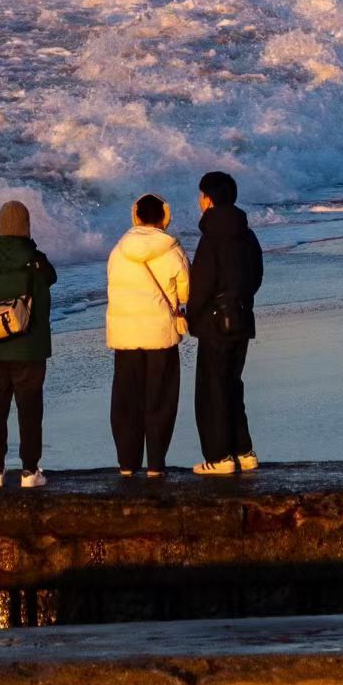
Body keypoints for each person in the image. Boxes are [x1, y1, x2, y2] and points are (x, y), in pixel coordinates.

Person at [0, 201, 57, 489]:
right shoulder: (37, 261)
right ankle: (30, 472)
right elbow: (52, 279)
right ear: (26, 226)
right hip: (29, 350)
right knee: (29, 411)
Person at [106, 194, 190, 479]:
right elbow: (186, 293)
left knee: (126, 401)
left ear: (135, 216)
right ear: (164, 217)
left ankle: (127, 464)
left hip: (125, 336)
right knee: (160, 400)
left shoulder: (118, 251)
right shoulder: (173, 250)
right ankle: (155, 464)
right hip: (160, 336)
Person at [186, 170, 263, 476]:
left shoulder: (211, 237)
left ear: (208, 199)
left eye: (201, 195)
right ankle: (243, 450)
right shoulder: (247, 233)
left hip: (215, 321)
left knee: (212, 389)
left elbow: (202, 284)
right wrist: (240, 298)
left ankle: (219, 457)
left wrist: (192, 316)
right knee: (233, 384)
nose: (200, 201)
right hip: (242, 314)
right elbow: (256, 274)